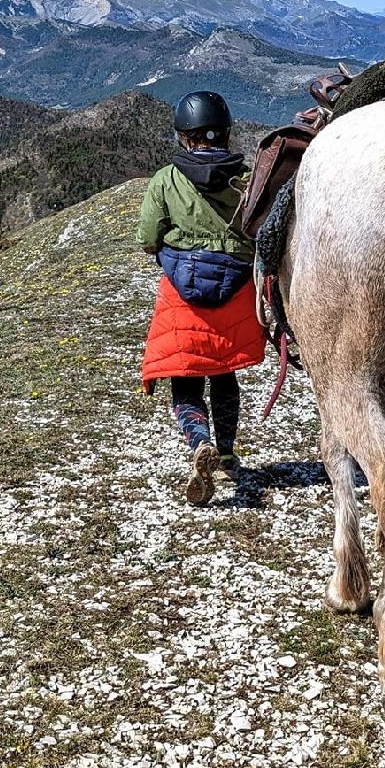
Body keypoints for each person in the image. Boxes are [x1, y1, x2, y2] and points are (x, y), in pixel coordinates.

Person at [137, 91, 265, 505]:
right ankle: (226, 454)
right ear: (225, 132)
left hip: (182, 294)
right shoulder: (246, 178)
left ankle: (199, 442)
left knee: (186, 379)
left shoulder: (165, 179)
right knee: (224, 373)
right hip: (237, 292)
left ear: (184, 137)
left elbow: (148, 237)